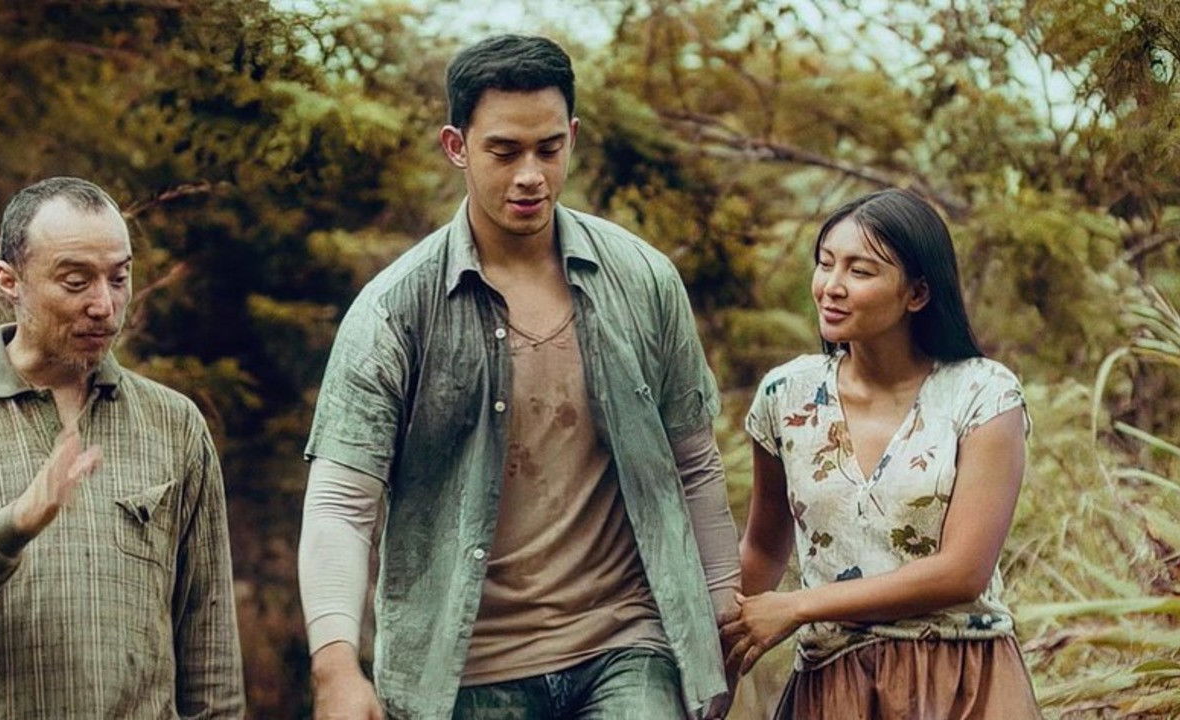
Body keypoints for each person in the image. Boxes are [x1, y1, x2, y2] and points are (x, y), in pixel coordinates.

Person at [298, 34, 739, 720]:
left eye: (548, 149)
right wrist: (334, 666)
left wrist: (719, 625)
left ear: (572, 138)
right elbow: (341, 504)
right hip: (466, 669)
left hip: (627, 643)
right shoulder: (395, 311)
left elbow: (695, 465)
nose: (530, 175)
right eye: (504, 152)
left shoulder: (642, 279)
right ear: (457, 147)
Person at [0, 177, 244, 719]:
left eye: (119, 278)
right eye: (76, 282)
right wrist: (15, 524)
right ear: (9, 281)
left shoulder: (174, 423)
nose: (104, 305)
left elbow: (210, 640)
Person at [722, 188, 1041, 718]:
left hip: (963, 679)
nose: (832, 286)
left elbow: (963, 571)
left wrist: (798, 606)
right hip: (834, 686)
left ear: (917, 293)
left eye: (860, 271)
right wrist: (714, 663)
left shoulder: (983, 395)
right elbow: (762, 548)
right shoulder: (786, 397)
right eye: (825, 263)